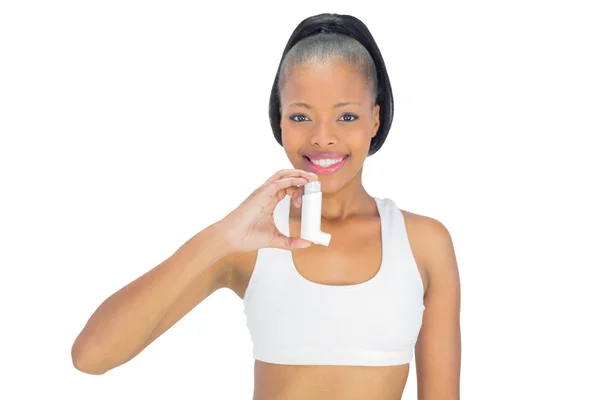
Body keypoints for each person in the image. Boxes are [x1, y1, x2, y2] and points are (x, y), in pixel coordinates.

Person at [71, 12, 461, 400]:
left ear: (374, 119)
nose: (323, 137)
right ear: (280, 120)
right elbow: (92, 356)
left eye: (346, 116)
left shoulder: (424, 244)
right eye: (300, 116)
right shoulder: (249, 242)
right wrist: (222, 237)